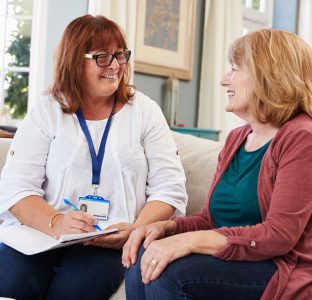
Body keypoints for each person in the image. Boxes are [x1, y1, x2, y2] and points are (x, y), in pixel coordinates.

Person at [0, 15, 187, 300]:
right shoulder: (47, 111)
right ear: (74, 61)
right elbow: (16, 187)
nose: (115, 65)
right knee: (9, 280)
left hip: (112, 243)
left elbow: (169, 189)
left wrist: (135, 230)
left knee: (73, 290)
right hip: (43, 235)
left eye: (120, 55)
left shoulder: (145, 111)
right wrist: (56, 222)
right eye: (102, 57)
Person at [123, 29, 312, 300]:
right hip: (239, 261)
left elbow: (278, 236)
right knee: (142, 255)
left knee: (168, 276)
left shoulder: (301, 137)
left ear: (268, 75)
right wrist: (170, 228)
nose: (225, 80)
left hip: (280, 268)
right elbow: (210, 219)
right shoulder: (237, 138)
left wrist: (187, 242)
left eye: (234, 69)